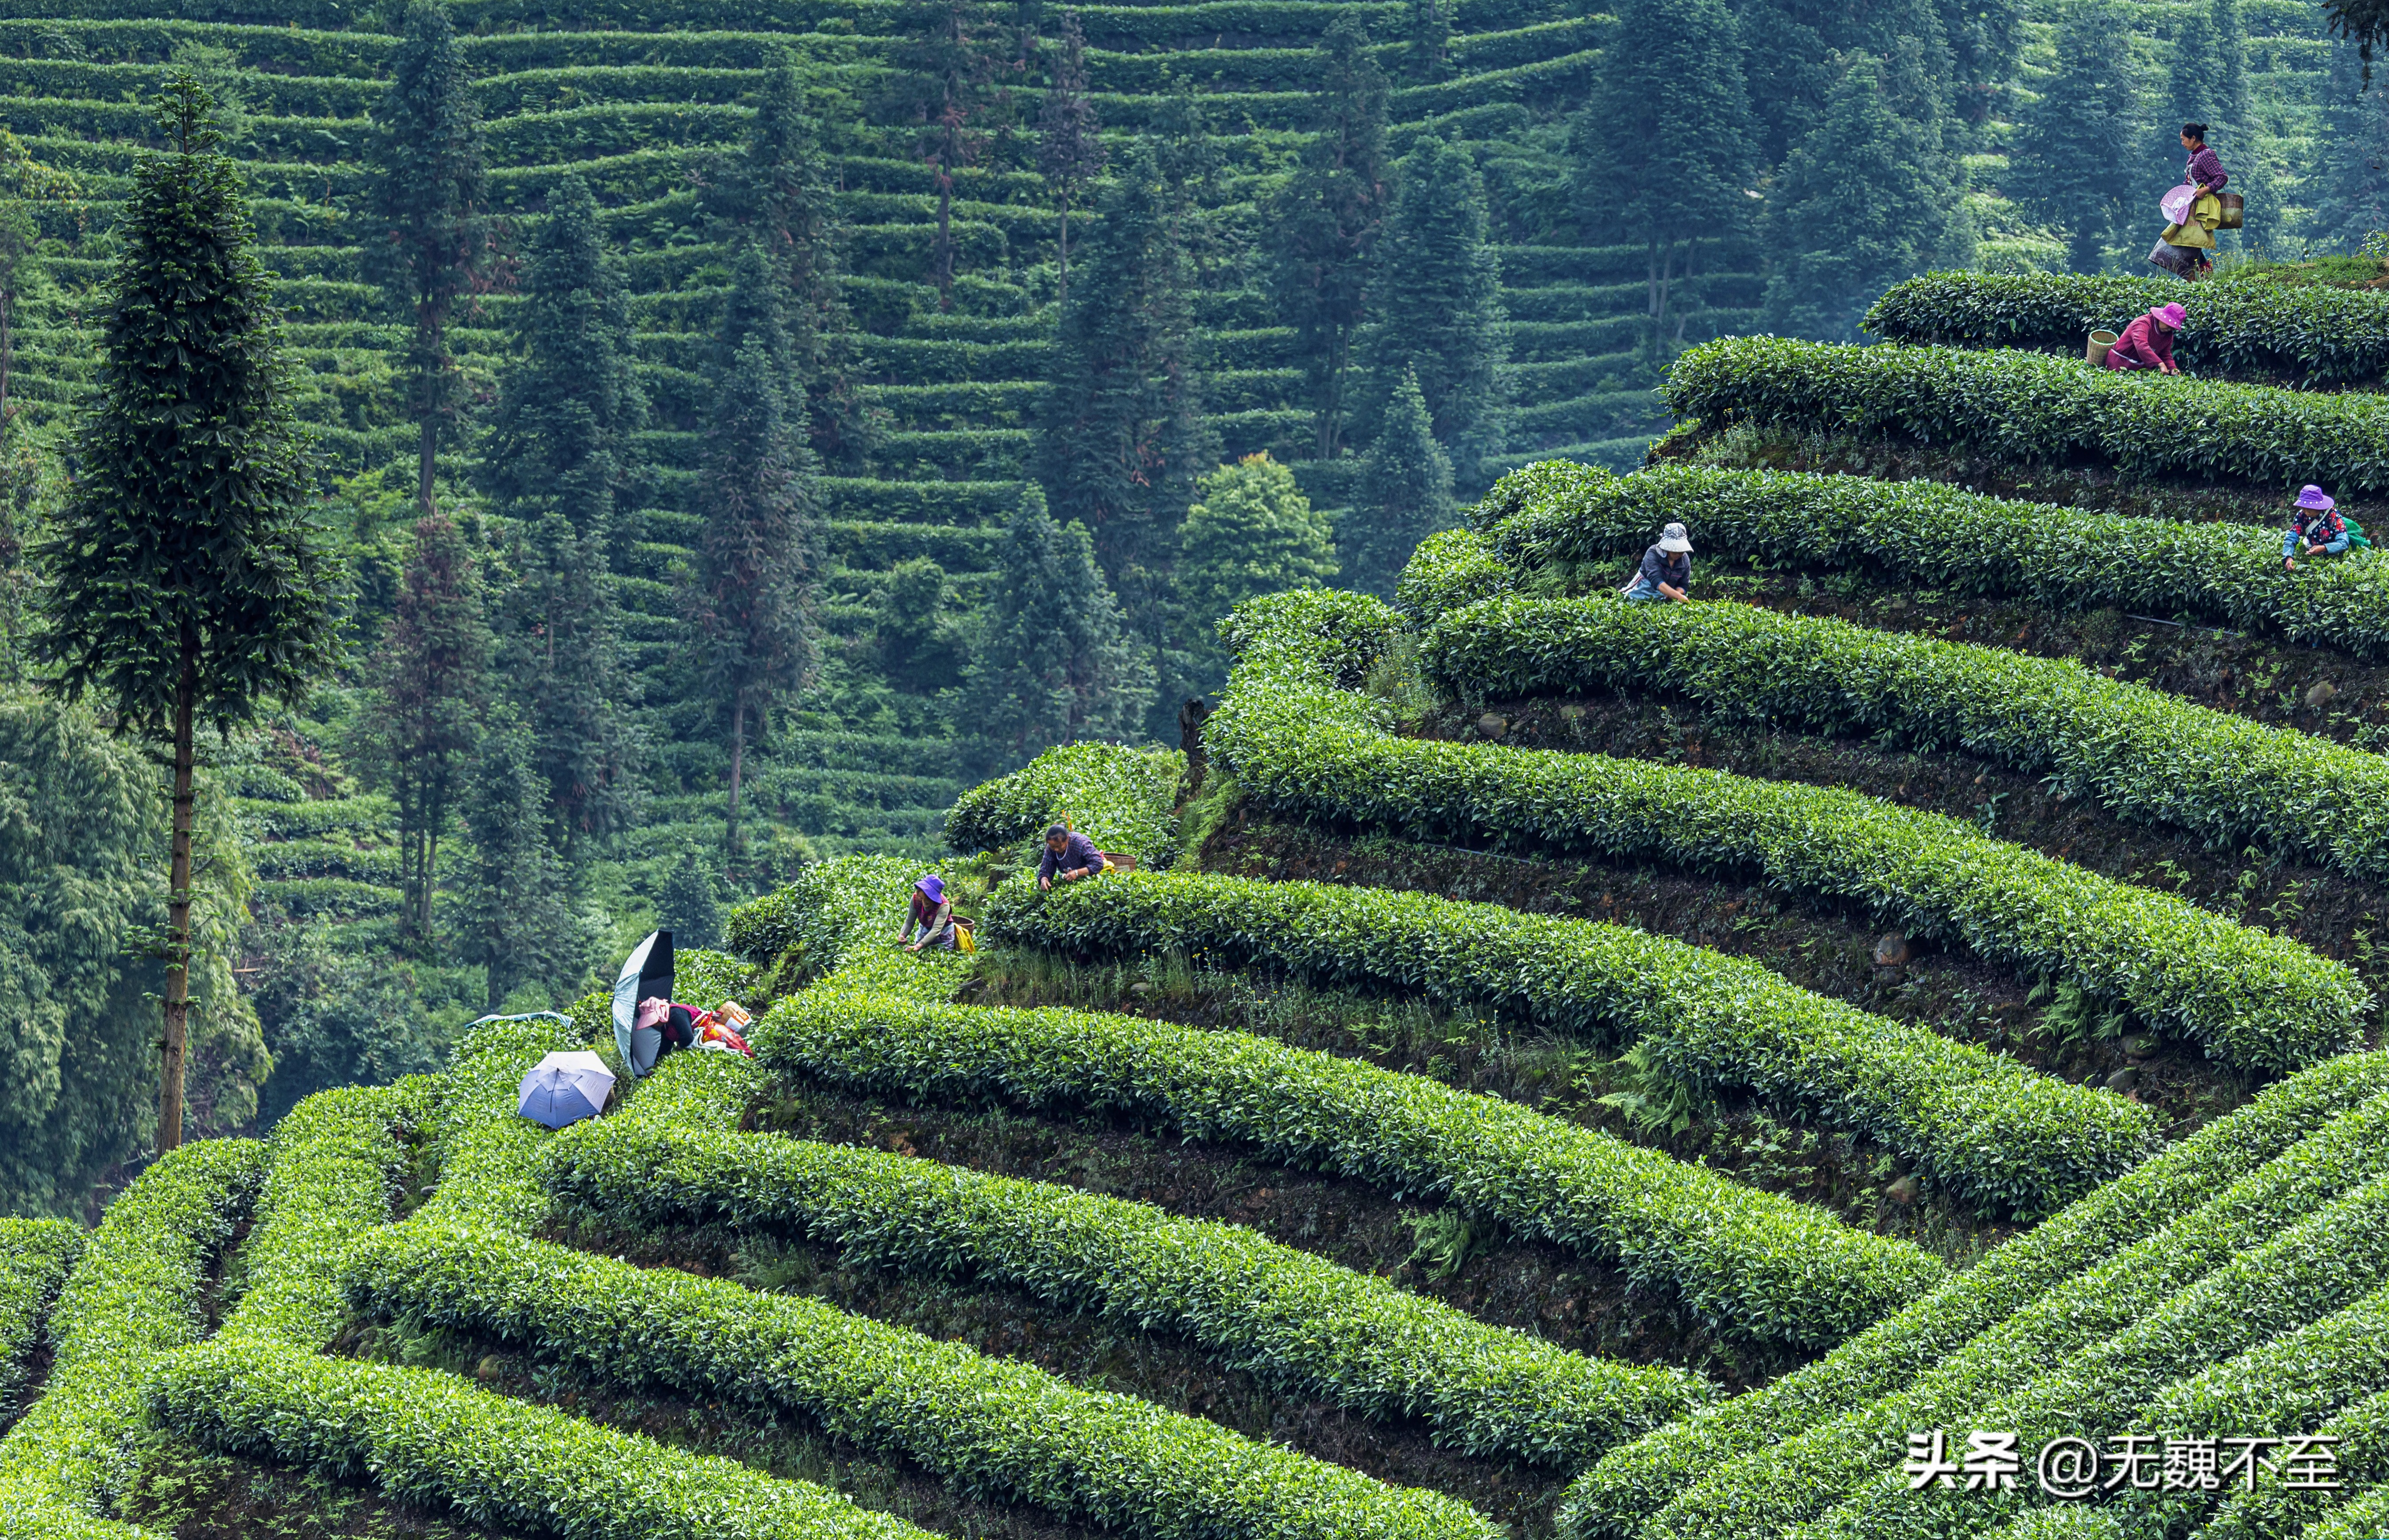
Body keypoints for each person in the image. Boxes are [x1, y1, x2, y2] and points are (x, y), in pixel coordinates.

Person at [2152, 123, 2229, 279]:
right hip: (2191, 205)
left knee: (2191, 241)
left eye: (2184, 140)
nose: (2182, 143)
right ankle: (2202, 277)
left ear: (2194, 139)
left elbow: (2222, 177)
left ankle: (2201, 278)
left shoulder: (2206, 155)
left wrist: (2206, 189)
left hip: (2203, 207)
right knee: (2190, 241)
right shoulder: (2193, 156)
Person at [2284, 485, 2357, 570]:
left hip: (2334, 555)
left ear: (2318, 507)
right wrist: (2288, 556)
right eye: (2304, 509)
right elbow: (2292, 536)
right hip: (2312, 551)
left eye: (2309, 510)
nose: (2307, 513)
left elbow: (2343, 543)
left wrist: (2324, 548)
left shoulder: (2333, 515)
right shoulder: (2302, 515)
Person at [2104, 303, 2186, 374]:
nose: (2170, 329)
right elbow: (2142, 346)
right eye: (2169, 325)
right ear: (2162, 318)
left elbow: (2166, 354)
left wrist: (2173, 369)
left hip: (2139, 368)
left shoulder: (2168, 335)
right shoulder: (2143, 323)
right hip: (2119, 363)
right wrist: (2160, 364)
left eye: (2173, 328)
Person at [1621, 522, 1692, 602]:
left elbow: (1683, 584)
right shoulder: (1653, 553)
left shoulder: (1685, 559)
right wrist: (1677, 596)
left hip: (1663, 599)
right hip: (1639, 594)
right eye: (1675, 549)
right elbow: (1656, 580)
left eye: (1681, 550)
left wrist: (1675, 594)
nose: (1679, 553)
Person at [900, 873, 959, 952]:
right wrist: (902, 935)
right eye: (921, 899)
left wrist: (918, 946)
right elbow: (909, 922)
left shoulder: (944, 906)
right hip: (925, 929)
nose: (924, 903)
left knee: (941, 955)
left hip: (943, 935)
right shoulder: (915, 899)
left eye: (927, 901)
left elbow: (936, 930)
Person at [1038, 823, 1104, 890]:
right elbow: (1046, 870)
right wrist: (1044, 880)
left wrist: (1077, 873)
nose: (1056, 849)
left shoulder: (1080, 842)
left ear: (1067, 839)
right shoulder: (1050, 848)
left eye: (1059, 846)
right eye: (1053, 847)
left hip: (1092, 879)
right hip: (1072, 884)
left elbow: (1098, 863)